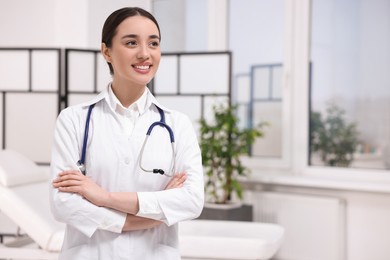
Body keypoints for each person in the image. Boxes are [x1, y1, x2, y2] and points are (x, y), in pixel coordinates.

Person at [49, 7, 204, 260]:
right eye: (131, 42)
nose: (145, 53)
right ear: (106, 51)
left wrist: (104, 197)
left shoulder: (178, 125)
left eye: (153, 43)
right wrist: (145, 218)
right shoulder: (74, 120)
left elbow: (191, 201)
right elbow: (63, 205)